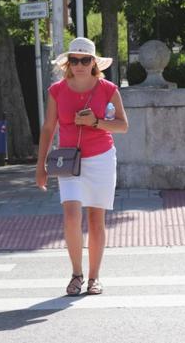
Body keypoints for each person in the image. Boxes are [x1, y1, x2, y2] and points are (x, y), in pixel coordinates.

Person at [35, 37, 128, 296]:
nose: (79, 65)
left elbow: (122, 125)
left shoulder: (108, 89)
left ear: (94, 63)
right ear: (68, 63)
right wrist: (40, 165)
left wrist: (96, 122)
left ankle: (94, 277)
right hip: (68, 160)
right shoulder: (57, 90)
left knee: (96, 220)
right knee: (71, 216)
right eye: (74, 60)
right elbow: (48, 128)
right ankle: (76, 273)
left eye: (85, 60)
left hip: (101, 158)